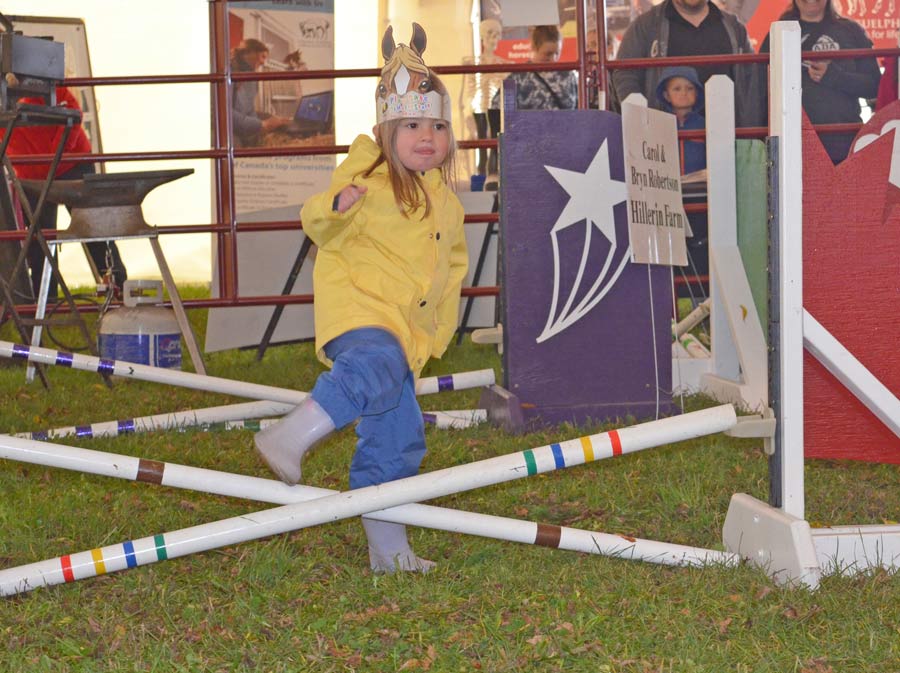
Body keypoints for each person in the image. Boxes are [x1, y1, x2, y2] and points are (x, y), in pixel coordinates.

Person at [253, 23, 468, 574]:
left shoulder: (447, 203)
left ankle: (389, 553)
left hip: (406, 335)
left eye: (438, 126)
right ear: (385, 129)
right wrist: (337, 204)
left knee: (397, 442)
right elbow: (315, 220)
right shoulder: (366, 171)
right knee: (376, 364)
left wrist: (438, 333)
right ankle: (287, 438)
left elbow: (453, 271)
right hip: (360, 312)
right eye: (413, 125)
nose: (428, 136)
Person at [1, 86, 127, 298]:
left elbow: (73, 114)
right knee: (39, 239)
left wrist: (56, 154)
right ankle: (45, 302)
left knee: (92, 228)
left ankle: (119, 288)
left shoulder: (40, 80)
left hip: (70, 162)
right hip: (33, 171)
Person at [760, 0, 880, 164]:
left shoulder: (851, 31)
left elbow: (874, 85)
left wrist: (835, 76)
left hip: (844, 143)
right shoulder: (779, 32)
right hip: (793, 144)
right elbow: (760, 89)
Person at [611, 0, 765, 128]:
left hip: (728, 146)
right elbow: (625, 72)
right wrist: (641, 123)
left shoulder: (736, 29)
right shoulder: (645, 26)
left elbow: (752, 83)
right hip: (665, 148)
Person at [492, 25, 578, 111]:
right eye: (548, 54)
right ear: (534, 48)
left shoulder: (569, 76)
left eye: (557, 53)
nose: (553, 59)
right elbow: (498, 112)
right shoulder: (517, 78)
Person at [230, 39, 291, 147]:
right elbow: (225, 113)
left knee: (277, 120)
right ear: (250, 52)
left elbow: (250, 109)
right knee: (235, 144)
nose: (263, 62)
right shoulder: (228, 69)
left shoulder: (253, 78)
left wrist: (260, 128)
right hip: (228, 124)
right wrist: (262, 124)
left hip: (243, 119)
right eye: (262, 56)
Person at [655, 66, 706, 174]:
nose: (684, 93)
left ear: (696, 93)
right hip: (667, 186)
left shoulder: (705, 124)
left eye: (690, 88)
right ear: (666, 95)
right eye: (677, 89)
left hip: (701, 187)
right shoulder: (659, 124)